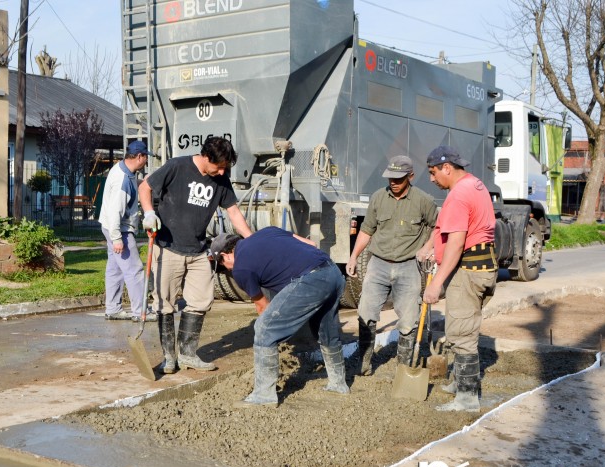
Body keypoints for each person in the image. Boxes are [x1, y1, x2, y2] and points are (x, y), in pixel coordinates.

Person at [138, 136, 252, 374]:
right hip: (168, 247)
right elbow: (144, 187)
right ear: (206, 157)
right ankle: (169, 357)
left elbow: (233, 212)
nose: (222, 172)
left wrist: (251, 239)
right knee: (164, 304)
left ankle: (188, 354)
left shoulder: (221, 179)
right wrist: (149, 213)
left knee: (201, 301)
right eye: (219, 166)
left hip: (199, 250)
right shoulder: (177, 166)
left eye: (225, 168)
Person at [210, 227, 350, 407]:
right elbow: (311, 244)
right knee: (326, 331)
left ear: (226, 255)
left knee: (264, 329)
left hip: (311, 280)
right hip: (333, 272)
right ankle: (338, 384)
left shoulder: (241, 268)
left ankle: (263, 395)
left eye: (222, 265)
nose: (226, 269)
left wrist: (275, 335)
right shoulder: (268, 232)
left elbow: (263, 308)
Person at [420, 145, 497, 412]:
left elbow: (456, 242)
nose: (431, 179)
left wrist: (437, 282)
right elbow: (447, 228)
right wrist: (431, 246)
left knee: (462, 333)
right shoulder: (475, 185)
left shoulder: (459, 195)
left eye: (433, 172)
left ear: (447, 168)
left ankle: (466, 399)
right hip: (481, 266)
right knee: (460, 324)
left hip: (468, 271)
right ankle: (459, 382)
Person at [345, 155, 437, 375]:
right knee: (366, 312)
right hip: (379, 264)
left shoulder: (423, 201)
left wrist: (429, 248)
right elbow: (367, 230)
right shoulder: (378, 198)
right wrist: (353, 256)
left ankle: (403, 369)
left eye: (399, 178)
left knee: (408, 319)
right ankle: (364, 364)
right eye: (390, 178)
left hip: (409, 266)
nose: (393, 182)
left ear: (410, 176)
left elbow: (438, 227)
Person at [98, 140, 156, 322]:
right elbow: (116, 211)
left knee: (115, 269)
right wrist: (117, 239)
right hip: (118, 229)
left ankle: (113, 308)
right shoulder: (122, 180)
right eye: (145, 157)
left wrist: (142, 182)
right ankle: (140, 312)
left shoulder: (123, 170)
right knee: (134, 269)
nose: (146, 160)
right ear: (139, 157)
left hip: (109, 226)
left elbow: (131, 184)